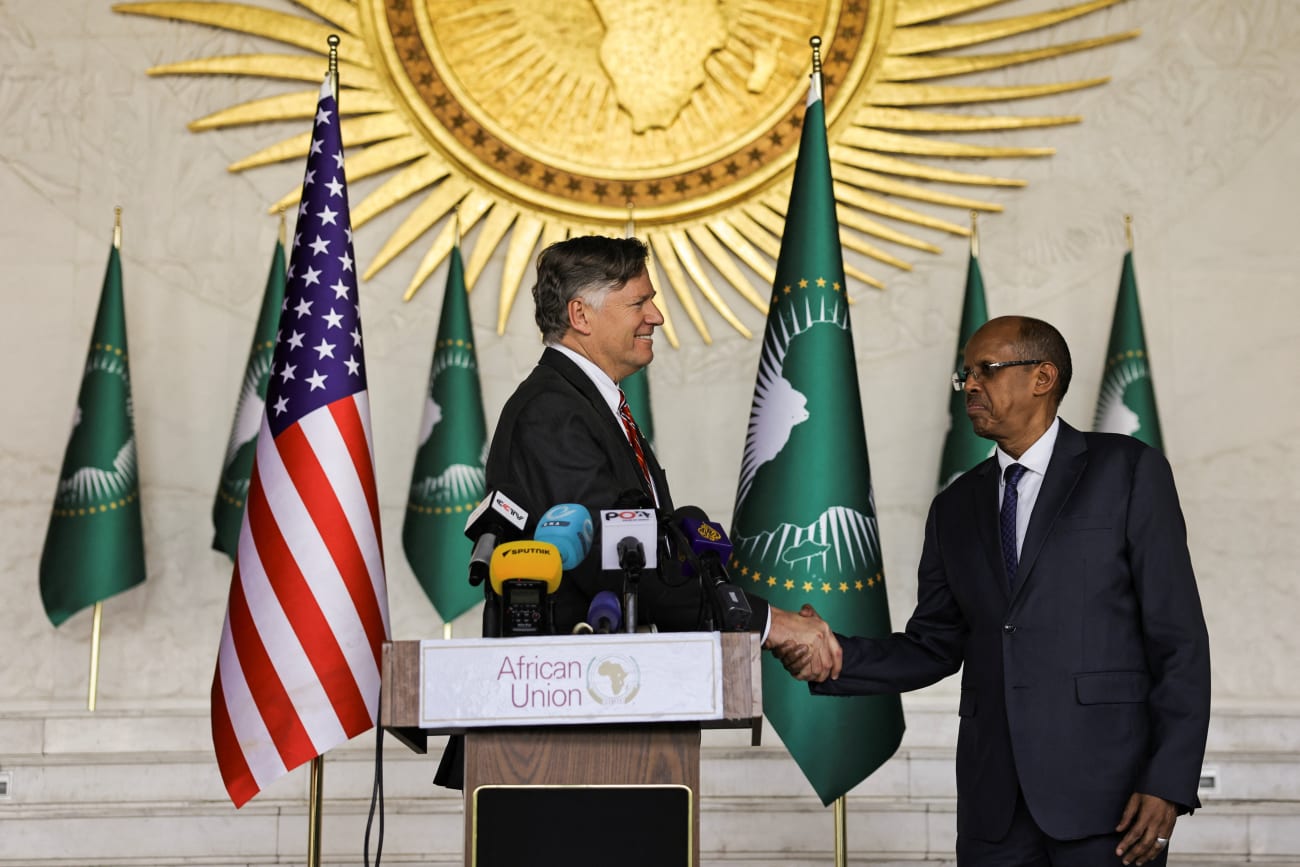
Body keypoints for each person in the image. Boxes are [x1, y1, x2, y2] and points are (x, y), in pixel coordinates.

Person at [775, 316, 1210, 866]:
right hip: (994, 806)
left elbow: (1179, 639)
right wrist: (833, 658)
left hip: (1110, 798)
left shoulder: (1126, 470)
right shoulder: (955, 507)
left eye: (987, 370)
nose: (971, 386)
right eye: (966, 375)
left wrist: (1168, 781)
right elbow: (934, 643)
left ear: (1043, 377)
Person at [486, 234, 841, 664]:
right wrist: (769, 624)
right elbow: (615, 566)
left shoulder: (590, 405)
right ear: (580, 314)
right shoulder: (552, 413)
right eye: (639, 303)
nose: (656, 317)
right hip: (566, 696)